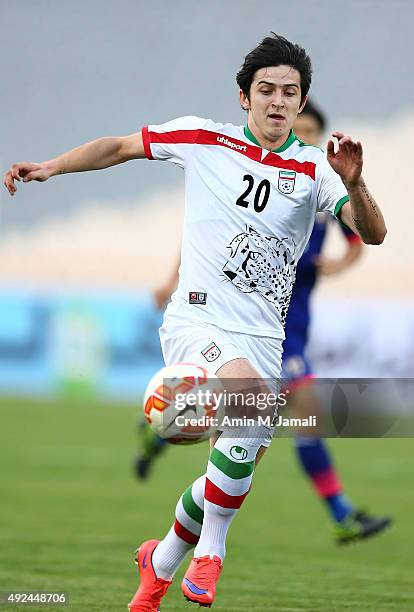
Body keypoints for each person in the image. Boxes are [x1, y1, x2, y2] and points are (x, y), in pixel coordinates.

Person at [4, 33, 387, 612]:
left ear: (301, 101)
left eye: (290, 93)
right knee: (245, 406)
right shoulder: (205, 139)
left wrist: (354, 181)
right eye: (267, 91)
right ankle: (212, 554)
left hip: (264, 339)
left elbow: (374, 232)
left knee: (233, 464)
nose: (278, 102)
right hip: (196, 320)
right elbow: (119, 147)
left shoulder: (316, 169)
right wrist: (51, 168)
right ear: (243, 97)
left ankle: (156, 565)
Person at [135, 99, 392, 545]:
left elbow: (362, 235)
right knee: (294, 418)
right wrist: (172, 277)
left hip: (289, 325)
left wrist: (338, 266)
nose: (305, 138)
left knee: (246, 427)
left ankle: (164, 433)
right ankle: (339, 513)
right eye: (302, 129)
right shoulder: (256, 177)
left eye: (313, 132)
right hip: (249, 322)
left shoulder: (319, 183)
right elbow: (213, 237)